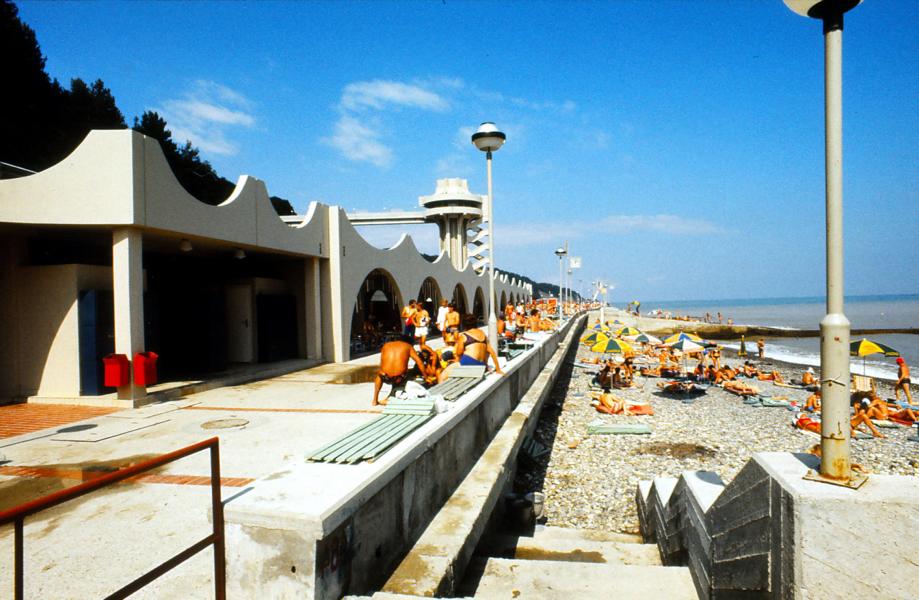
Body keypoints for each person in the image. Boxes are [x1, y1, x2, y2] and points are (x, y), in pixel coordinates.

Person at [372, 340, 430, 406]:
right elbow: (419, 362)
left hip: (384, 376)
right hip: (399, 377)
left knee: (379, 377)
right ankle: (394, 394)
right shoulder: (408, 346)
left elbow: (382, 363)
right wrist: (426, 377)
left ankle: (374, 400)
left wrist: (382, 372)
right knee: (408, 373)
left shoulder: (386, 345)